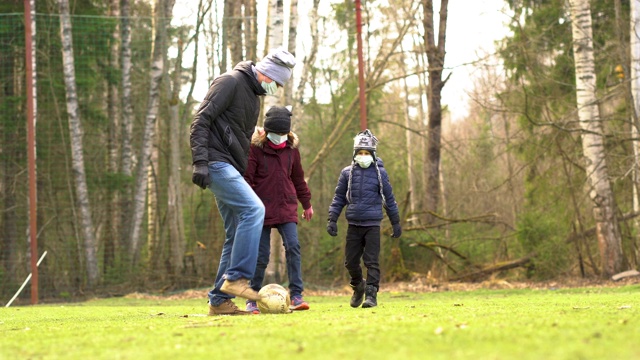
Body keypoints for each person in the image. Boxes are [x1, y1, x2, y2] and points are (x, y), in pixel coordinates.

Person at [190, 48, 296, 315]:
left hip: (230, 166)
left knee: (235, 232)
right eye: (277, 82)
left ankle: (218, 301)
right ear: (267, 74)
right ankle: (237, 278)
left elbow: (236, 136)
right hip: (215, 162)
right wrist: (200, 161)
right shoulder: (230, 82)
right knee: (254, 209)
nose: (277, 88)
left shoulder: (253, 97)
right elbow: (200, 120)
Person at [243, 106, 313, 314]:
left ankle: (297, 295)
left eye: (283, 134)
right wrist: (245, 207)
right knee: (261, 255)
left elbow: (298, 179)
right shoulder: (254, 150)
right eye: (276, 133)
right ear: (266, 131)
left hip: (286, 207)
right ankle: (252, 298)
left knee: (293, 247)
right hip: (260, 209)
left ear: (288, 133)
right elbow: (246, 180)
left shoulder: (292, 151)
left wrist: (306, 204)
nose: (279, 137)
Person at [326, 129, 402, 308]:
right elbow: (338, 198)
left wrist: (395, 222)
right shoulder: (347, 173)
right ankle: (358, 285)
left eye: (366, 153)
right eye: (360, 153)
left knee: (371, 261)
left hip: (372, 224)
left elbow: (389, 199)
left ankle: (371, 294)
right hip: (353, 224)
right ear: (354, 154)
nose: (363, 156)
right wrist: (332, 219)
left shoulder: (380, 174)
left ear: (373, 154)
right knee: (350, 262)